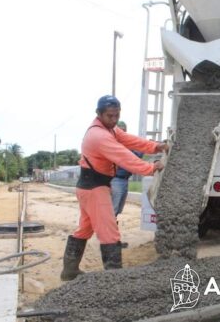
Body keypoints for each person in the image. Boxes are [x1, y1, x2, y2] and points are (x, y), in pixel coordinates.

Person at [60, 95, 168, 281]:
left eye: (117, 115)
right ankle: (114, 280)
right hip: (95, 188)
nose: (114, 119)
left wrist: (155, 146)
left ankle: (69, 271)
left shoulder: (107, 129)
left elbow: (129, 140)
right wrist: (150, 168)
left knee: (85, 229)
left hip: (89, 187)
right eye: (110, 116)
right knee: (109, 232)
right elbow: (124, 156)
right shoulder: (99, 136)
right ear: (99, 114)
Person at [110, 121, 143, 249]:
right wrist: (147, 145)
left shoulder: (125, 143)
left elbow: (136, 154)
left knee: (116, 211)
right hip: (116, 180)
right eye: (120, 130)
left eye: (124, 130)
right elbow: (135, 155)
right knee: (113, 212)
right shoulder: (116, 144)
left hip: (123, 180)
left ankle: (113, 240)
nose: (122, 132)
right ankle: (111, 242)